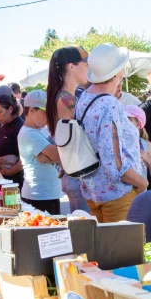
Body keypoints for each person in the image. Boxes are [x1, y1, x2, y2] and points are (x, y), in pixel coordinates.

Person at [75, 44, 148, 222]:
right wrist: (141, 183)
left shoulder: (85, 97)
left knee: (104, 246)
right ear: (117, 72)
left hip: (92, 190)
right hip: (118, 193)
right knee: (124, 248)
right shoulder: (110, 104)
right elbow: (116, 164)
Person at [45, 45, 91, 214]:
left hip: (74, 174)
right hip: (79, 174)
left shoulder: (62, 96)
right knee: (85, 234)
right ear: (71, 66)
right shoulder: (66, 99)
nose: (88, 69)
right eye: (85, 65)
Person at [17, 90, 64, 214]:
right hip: (39, 196)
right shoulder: (29, 133)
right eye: (45, 112)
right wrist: (56, 157)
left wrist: (52, 158)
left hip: (46, 194)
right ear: (32, 110)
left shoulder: (41, 129)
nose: (49, 117)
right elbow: (60, 154)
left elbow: (60, 154)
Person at [0, 86, 24, 188]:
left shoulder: (19, 127)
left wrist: (10, 171)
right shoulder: (2, 124)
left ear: (10, 108)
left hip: (15, 183)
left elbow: (26, 158)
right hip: (3, 181)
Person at [123, 105, 151, 183]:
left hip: (140, 192)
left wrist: (149, 161)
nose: (123, 123)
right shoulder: (117, 142)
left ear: (138, 124)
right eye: (121, 119)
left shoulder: (146, 145)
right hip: (122, 192)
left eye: (128, 120)